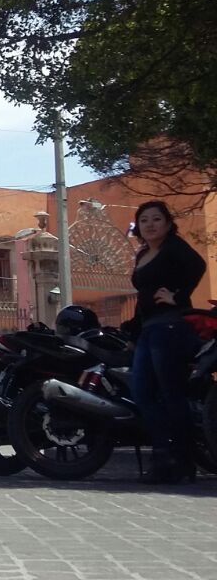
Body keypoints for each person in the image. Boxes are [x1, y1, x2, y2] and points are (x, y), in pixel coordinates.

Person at [125, 200, 207, 484]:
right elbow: (143, 296)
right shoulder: (143, 254)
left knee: (171, 393)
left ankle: (182, 461)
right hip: (149, 330)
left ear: (168, 223)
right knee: (142, 393)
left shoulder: (174, 247)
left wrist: (178, 297)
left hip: (171, 327)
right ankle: (163, 454)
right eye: (144, 220)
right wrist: (133, 334)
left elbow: (198, 266)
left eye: (156, 219)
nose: (150, 224)